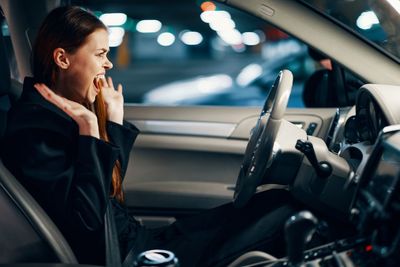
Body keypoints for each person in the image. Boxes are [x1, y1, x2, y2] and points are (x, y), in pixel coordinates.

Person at [1, 6, 299, 267]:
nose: (109, 64)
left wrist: (113, 123)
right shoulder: (33, 128)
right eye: (100, 54)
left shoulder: (59, 113)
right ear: (63, 59)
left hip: (136, 239)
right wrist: (91, 131)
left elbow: (108, 192)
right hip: (129, 253)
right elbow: (88, 221)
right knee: (287, 215)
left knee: (275, 201)